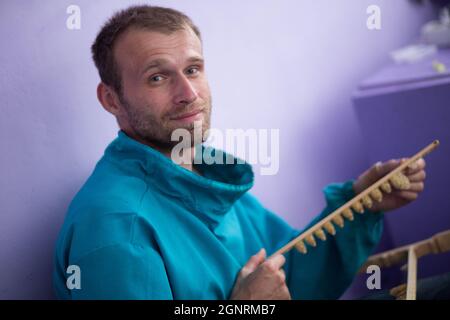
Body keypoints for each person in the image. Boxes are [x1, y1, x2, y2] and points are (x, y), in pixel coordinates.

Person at [53, 5, 427, 300]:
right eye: (157, 77)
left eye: (193, 69)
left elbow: (289, 272)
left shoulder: (200, 169)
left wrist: (361, 205)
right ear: (111, 98)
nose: (189, 93)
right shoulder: (117, 230)